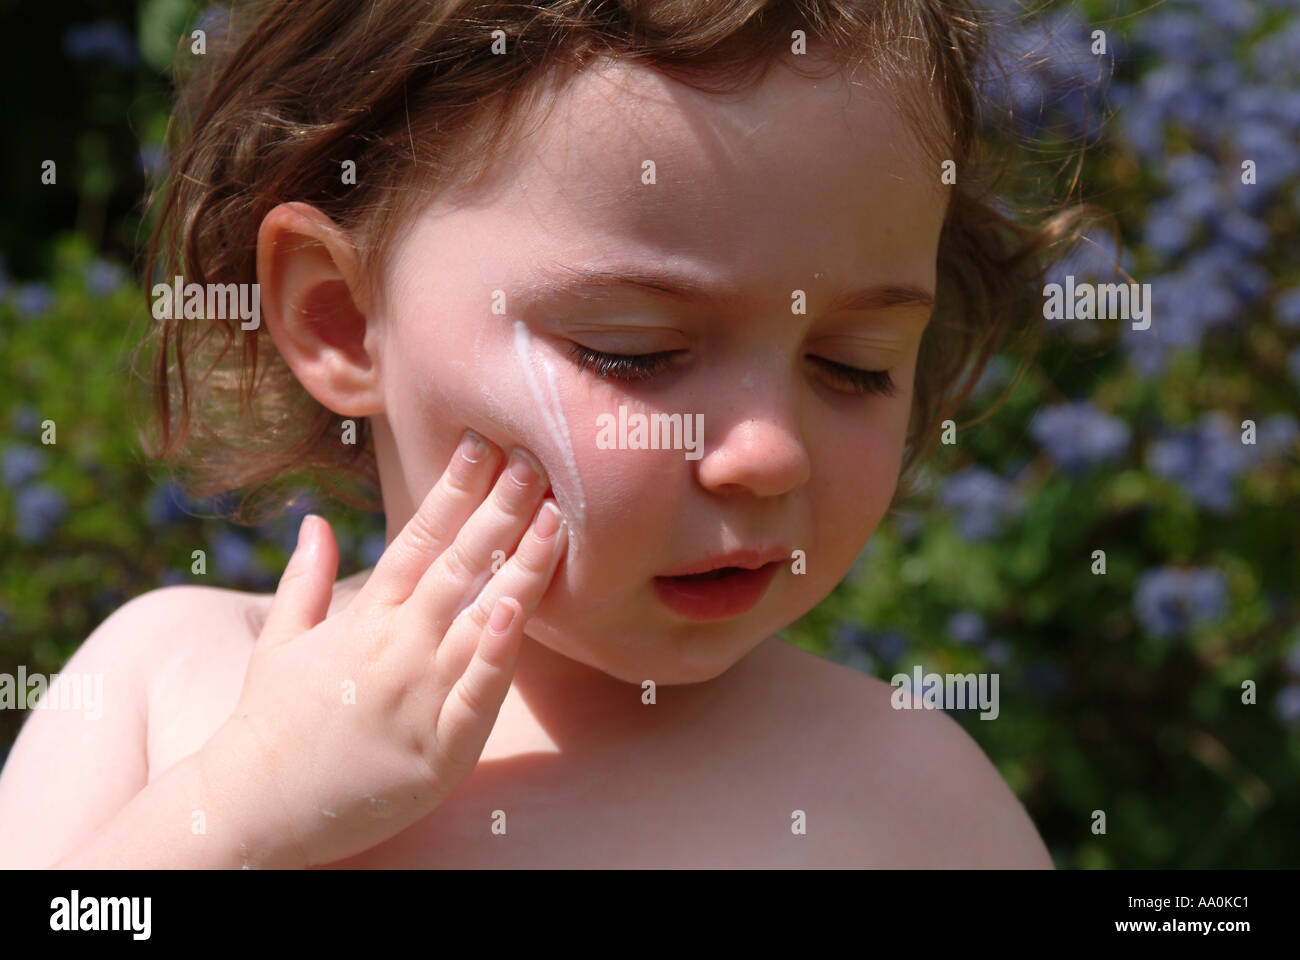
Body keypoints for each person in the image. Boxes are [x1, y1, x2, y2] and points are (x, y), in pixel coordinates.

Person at [0, 0, 1086, 868]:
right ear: (340, 315)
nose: (770, 451)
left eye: (856, 364)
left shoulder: (906, 794)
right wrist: (232, 816)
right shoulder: (168, 685)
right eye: (634, 351)